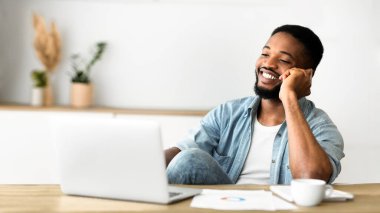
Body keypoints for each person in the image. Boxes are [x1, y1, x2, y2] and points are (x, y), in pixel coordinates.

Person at [165, 24, 344, 185]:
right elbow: (182, 151)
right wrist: (143, 161)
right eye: (265, 54)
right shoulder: (227, 113)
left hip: (281, 207)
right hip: (226, 204)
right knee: (188, 159)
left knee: (190, 159)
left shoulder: (321, 126)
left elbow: (311, 179)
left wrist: (289, 96)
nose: (268, 63)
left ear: (305, 75)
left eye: (283, 60)